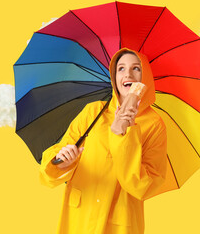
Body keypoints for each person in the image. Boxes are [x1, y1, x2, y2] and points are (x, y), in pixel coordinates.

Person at [39, 48, 170, 234]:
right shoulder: (93, 112)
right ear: (114, 77)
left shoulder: (154, 125)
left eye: (136, 68)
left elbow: (145, 186)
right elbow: (55, 157)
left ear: (145, 77)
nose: (128, 74)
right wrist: (62, 162)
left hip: (120, 223)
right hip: (80, 216)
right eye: (121, 68)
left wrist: (125, 132)